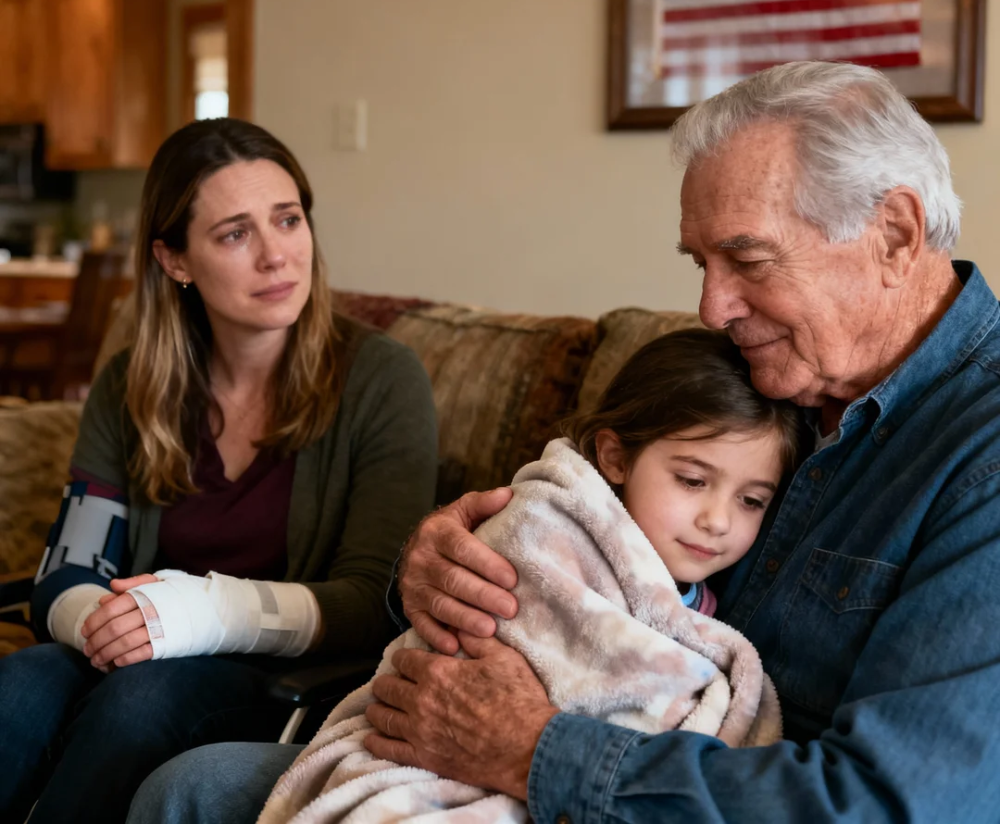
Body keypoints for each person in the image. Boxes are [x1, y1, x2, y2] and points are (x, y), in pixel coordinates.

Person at [127, 59, 1000, 823]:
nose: (712, 309)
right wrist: (443, 573)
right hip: (591, 746)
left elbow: (894, 805)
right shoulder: (768, 385)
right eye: (701, 264)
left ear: (892, 234)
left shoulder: (979, 456)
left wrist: (535, 752)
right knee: (194, 788)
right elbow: (595, 557)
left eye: (749, 260)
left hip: (679, 789)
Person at [127, 328, 803, 824]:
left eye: (752, 501)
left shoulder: (727, 589)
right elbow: (501, 628)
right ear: (614, 458)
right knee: (179, 778)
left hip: (582, 783)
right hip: (430, 753)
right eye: (692, 480)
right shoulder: (553, 531)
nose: (718, 520)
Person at [0, 117, 438, 824]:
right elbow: (68, 568)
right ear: (175, 260)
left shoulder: (383, 380)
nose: (276, 256)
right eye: (235, 233)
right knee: (20, 681)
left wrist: (201, 614)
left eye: (287, 220)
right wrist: (100, 624)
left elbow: (376, 602)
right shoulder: (129, 384)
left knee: (139, 699)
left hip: (283, 680)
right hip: (136, 654)